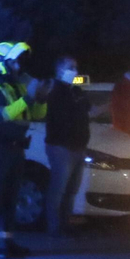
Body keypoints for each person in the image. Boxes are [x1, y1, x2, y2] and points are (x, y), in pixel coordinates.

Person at [0, 41, 48, 258]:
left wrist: (41, 98)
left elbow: (36, 115)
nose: (18, 67)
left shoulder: (15, 87)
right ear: (0, 63)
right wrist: (28, 97)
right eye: (14, 62)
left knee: (10, 196)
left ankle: (6, 242)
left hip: (16, 149)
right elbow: (3, 115)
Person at [42, 56, 90, 236]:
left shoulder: (75, 91)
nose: (75, 70)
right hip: (61, 146)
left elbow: (88, 111)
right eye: (71, 67)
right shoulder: (54, 90)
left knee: (71, 190)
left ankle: (64, 224)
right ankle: (54, 227)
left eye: (76, 67)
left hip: (78, 146)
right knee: (58, 189)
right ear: (60, 70)